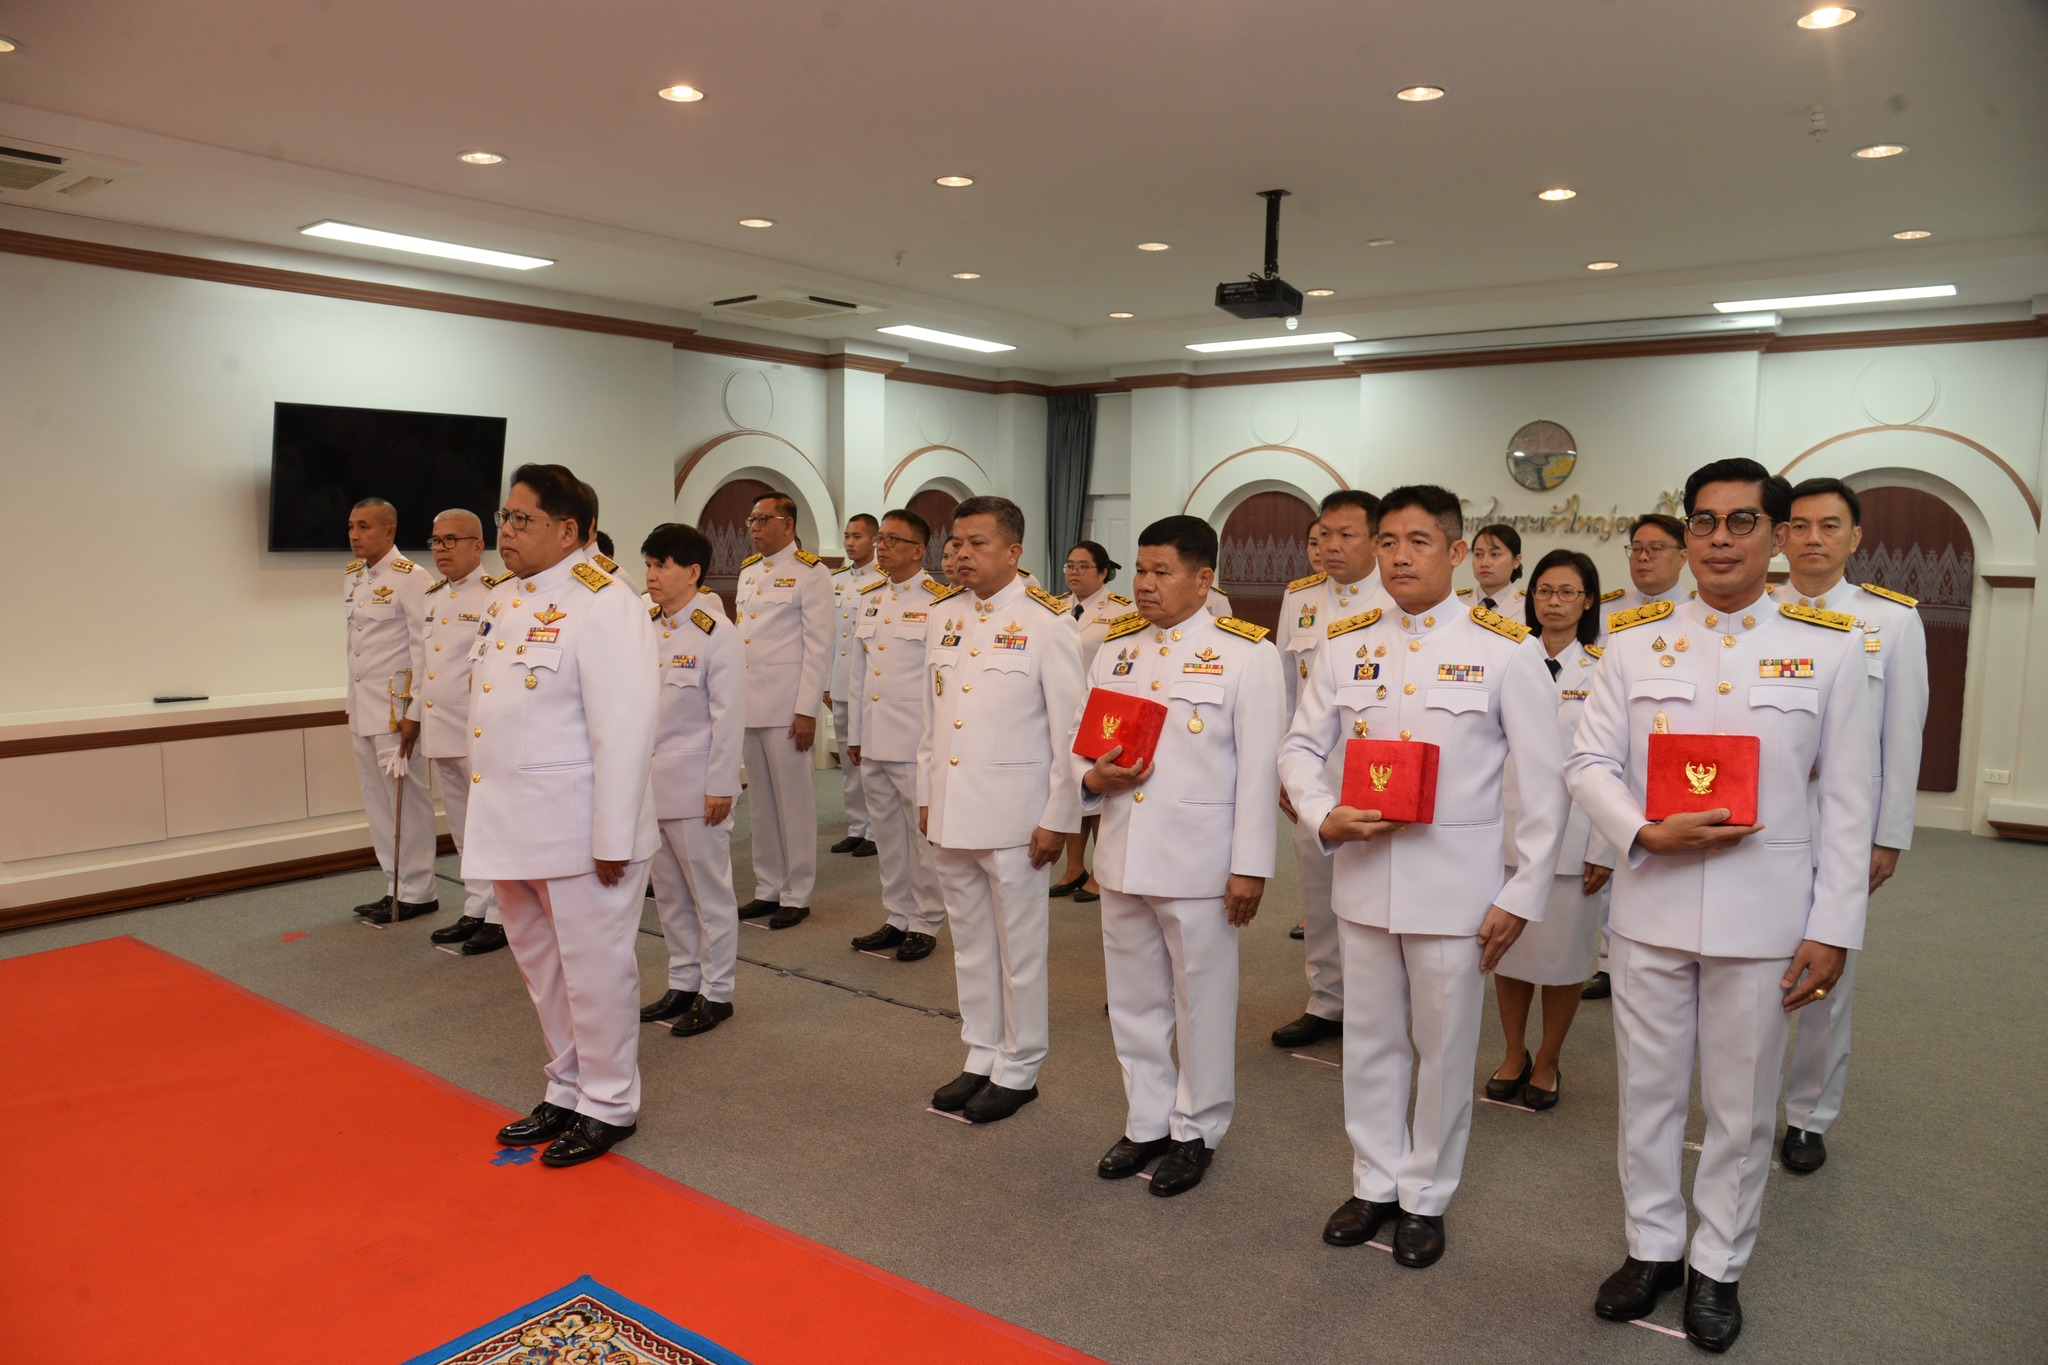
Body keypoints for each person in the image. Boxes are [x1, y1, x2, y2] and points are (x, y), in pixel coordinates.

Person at [1566, 458, 1875, 1351]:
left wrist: (1832, 925)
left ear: (1776, 536)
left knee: (1740, 1109)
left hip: (1765, 916)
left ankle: (1718, 1265)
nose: (1721, 538)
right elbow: (1588, 763)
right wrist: (1639, 830)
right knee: (1648, 1093)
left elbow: (1849, 799)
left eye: (1743, 521)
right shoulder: (1634, 640)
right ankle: (1653, 1247)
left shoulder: (1831, 646)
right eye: (1704, 521)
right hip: (1652, 906)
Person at [1277, 483, 1568, 1270]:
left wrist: (1520, 891)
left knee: (1442, 1050)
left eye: (1419, 542)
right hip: (1364, 879)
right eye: (1389, 542)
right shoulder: (1345, 642)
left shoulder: (1505, 648)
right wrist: (1321, 812)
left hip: (1455, 890)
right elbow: (1299, 747)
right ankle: (1373, 1180)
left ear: (1457, 551)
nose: (1400, 556)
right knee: (1370, 1042)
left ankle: (1426, 1195)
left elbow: (1546, 783)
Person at [1078, 516, 1283, 1195]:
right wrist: (1089, 779)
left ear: (1202, 579)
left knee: (1202, 1004)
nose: (1145, 584)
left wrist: (1250, 866)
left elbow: (1258, 770)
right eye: (1140, 570)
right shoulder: (1116, 648)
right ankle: (1146, 1120)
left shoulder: (1246, 653)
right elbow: (1086, 742)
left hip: (1200, 864)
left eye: (1162, 572)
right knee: (1133, 999)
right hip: (1123, 854)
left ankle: (1197, 1129)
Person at [465, 463, 660, 1167]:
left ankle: (609, 1101)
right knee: (543, 969)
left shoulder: (605, 602)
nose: (506, 531)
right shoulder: (505, 598)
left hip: (580, 830)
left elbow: (625, 729)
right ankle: (568, 1083)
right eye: (505, 517)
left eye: (523, 520)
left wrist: (613, 835)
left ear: (569, 529)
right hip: (512, 824)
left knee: (595, 971)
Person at [1772, 477, 1928, 1174]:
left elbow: (1904, 734)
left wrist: (1889, 836)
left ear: (1855, 537)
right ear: (1781, 536)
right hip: (1762, 823)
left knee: (1827, 981)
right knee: (1750, 968)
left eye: (1829, 525)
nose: (1814, 539)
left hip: (1845, 825)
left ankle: (1809, 1115)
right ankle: (1746, 1101)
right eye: (1800, 525)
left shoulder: (1889, 621)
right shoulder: (1757, 612)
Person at [918, 495, 1084, 1123]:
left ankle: (1020, 1065)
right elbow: (933, 720)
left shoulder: (1047, 620)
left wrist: (1057, 818)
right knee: (970, 946)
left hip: (1017, 818)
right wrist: (927, 795)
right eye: (956, 543)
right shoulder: (943, 614)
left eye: (977, 543)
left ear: (1014, 552)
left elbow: (1070, 732)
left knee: (1020, 951)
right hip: (952, 811)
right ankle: (981, 1051)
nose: (961, 554)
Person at [1484, 550, 1614, 1109]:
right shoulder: (1506, 657)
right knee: (1506, 953)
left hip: (1576, 839)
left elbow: (1618, 764)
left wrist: (1606, 845)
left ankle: (1550, 1057)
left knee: (1563, 962)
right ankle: (1514, 1051)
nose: (1553, 602)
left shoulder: (1605, 668)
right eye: (1544, 591)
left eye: (1567, 592)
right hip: (1506, 831)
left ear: (1588, 600)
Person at [1270, 489, 1384, 1050]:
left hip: (1376, 779)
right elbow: (1285, 691)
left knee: (1375, 897)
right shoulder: (1301, 598)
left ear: (1376, 540)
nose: (1332, 546)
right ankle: (1327, 1000)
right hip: (1313, 778)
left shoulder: (1398, 597)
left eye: (1347, 535)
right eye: (1324, 535)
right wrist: (1282, 771)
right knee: (1319, 896)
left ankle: (1377, 1004)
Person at [638, 522, 745, 1037]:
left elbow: (729, 716)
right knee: (670, 895)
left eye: (662, 565)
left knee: (710, 895)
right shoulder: (645, 625)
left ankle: (717, 991)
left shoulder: (715, 633)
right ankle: (682, 980)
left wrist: (721, 785)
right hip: (652, 788)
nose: (651, 575)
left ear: (693, 572)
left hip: (698, 789)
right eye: (649, 565)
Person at [1581, 510, 1692, 998]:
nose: (1644, 558)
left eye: (1656, 549)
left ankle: (1634, 955)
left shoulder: (1696, 615)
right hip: (1602, 746)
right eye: (1637, 549)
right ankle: (1609, 960)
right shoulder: (1607, 613)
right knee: (1603, 862)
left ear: (1683, 557)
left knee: (1649, 862)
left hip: (1660, 758)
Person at [845, 509, 948, 962]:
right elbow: (859, 672)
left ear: (918, 550)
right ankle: (897, 914)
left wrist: (936, 741)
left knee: (921, 837)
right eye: (880, 539)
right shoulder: (870, 597)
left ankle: (926, 920)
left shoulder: (939, 602)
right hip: (874, 737)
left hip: (913, 739)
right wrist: (854, 734)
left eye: (892, 540)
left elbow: (940, 681)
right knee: (887, 834)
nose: (881, 546)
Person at [733, 492, 835, 929]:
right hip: (750, 704)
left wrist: (807, 710)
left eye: (763, 520)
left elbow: (819, 646)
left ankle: (797, 893)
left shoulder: (812, 573)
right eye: (751, 520)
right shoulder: (750, 571)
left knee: (794, 804)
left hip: (788, 708)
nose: (754, 527)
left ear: (788, 524)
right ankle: (768, 886)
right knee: (761, 806)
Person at [342, 497, 439, 924]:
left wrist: (415, 709)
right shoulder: (353, 576)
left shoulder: (412, 578)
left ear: (389, 531)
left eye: (364, 526)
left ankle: (419, 890)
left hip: (394, 711)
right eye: (351, 526)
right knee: (377, 801)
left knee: (405, 801)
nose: (355, 535)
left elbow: (423, 649)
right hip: (362, 706)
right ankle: (394, 885)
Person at [418, 508, 508, 954]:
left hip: (476, 730)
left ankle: (502, 913)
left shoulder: (496, 593)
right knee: (460, 826)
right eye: (436, 541)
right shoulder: (433, 596)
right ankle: (476, 904)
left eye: (451, 540)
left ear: (478, 545)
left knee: (490, 823)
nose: (442, 549)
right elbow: (427, 665)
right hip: (440, 726)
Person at [1055, 540, 1130, 900]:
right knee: (1070, 789)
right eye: (1070, 565)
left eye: (1083, 566)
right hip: (1061, 711)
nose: (1074, 572)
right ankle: (1074, 867)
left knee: (1097, 793)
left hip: (1100, 714)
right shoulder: (1055, 607)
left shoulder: (1122, 612)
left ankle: (1100, 871)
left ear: (1103, 573)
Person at [828, 514, 880, 859]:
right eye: (847, 536)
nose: (850, 542)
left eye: (857, 536)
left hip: (870, 687)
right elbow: (829, 638)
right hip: (841, 683)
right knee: (849, 764)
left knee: (871, 761)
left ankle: (875, 830)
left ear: (874, 540)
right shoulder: (836, 581)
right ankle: (856, 826)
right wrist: (825, 683)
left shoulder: (884, 582)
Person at [1461, 522, 1523, 611]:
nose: (1484, 563)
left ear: (1516, 561)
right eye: (1478, 554)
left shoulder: (1529, 606)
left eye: (1494, 554)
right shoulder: (1457, 603)